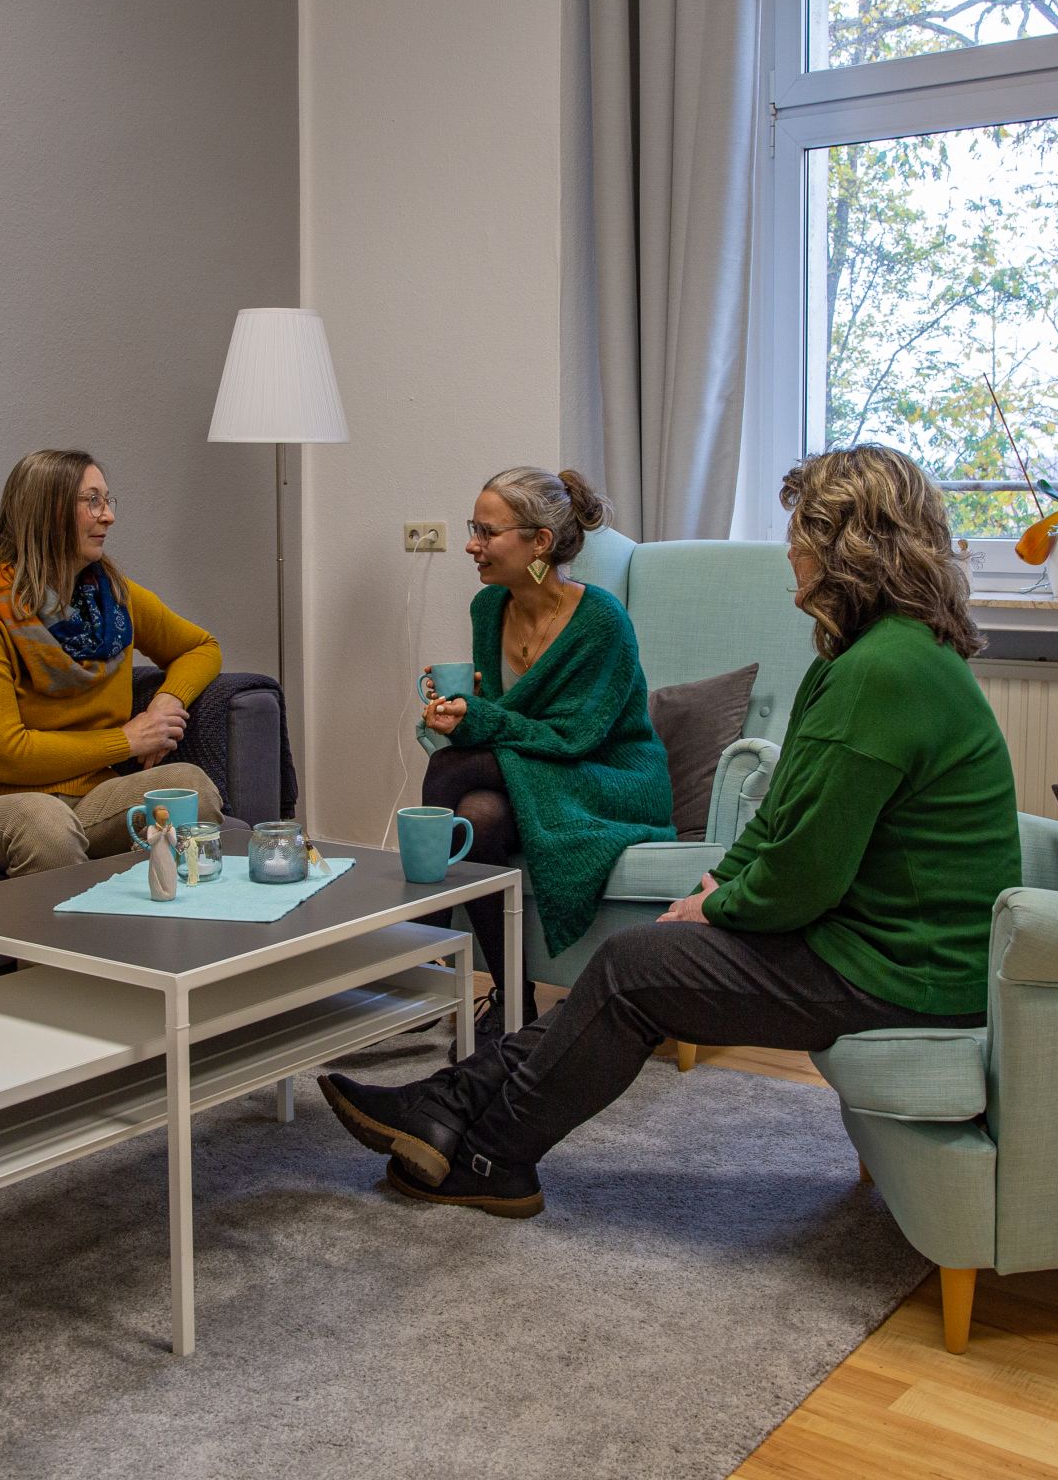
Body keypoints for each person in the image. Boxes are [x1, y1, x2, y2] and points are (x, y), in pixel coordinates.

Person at [324, 444, 1020, 1217]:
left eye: (800, 532)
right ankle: (445, 1106)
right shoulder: (861, 658)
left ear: (843, 547)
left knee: (633, 969)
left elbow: (807, 875)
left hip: (901, 973)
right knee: (634, 960)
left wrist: (716, 908)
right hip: (873, 945)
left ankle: (490, 1154)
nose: (789, 548)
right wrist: (721, 880)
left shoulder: (884, 673)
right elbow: (790, 809)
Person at [415, 466, 675, 1033]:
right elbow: (507, 718)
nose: (470, 545)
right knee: (478, 815)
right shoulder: (489, 608)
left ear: (540, 542)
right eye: (472, 528)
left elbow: (574, 735)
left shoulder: (602, 620)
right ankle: (513, 1001)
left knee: (449, 767)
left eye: (487, 532)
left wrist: (476, 721)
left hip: (606, 775)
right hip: (531, 767)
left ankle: (422, 944)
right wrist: (460, 712)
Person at [0, 449, 225, 875]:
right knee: (44, 822)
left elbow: (201, 647)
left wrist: (165, 703)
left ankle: (179, 930)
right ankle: (82, 941)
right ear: (47, 513)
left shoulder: (115, 597)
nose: (108, 517)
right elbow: (4, 754)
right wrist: (128, 740)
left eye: (107, 501)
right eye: (93, 501)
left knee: (189, 788)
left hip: (85, 798)